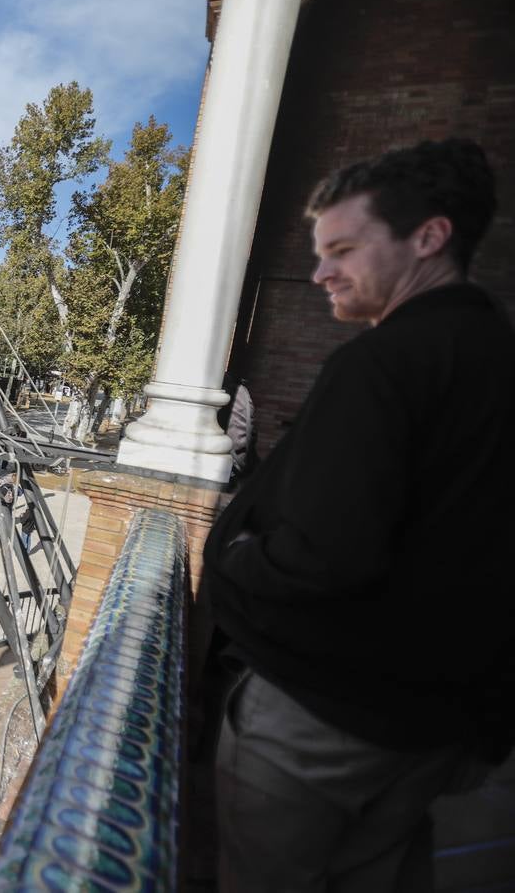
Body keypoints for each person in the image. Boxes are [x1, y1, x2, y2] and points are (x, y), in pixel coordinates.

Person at [203, 139, 514, 891]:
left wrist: (235, 554)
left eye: (342, 248)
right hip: (429, 727)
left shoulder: (381, 363)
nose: (320, 273)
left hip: (317, 721)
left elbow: (324, 556)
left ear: (428, 238)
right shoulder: (498, 357)